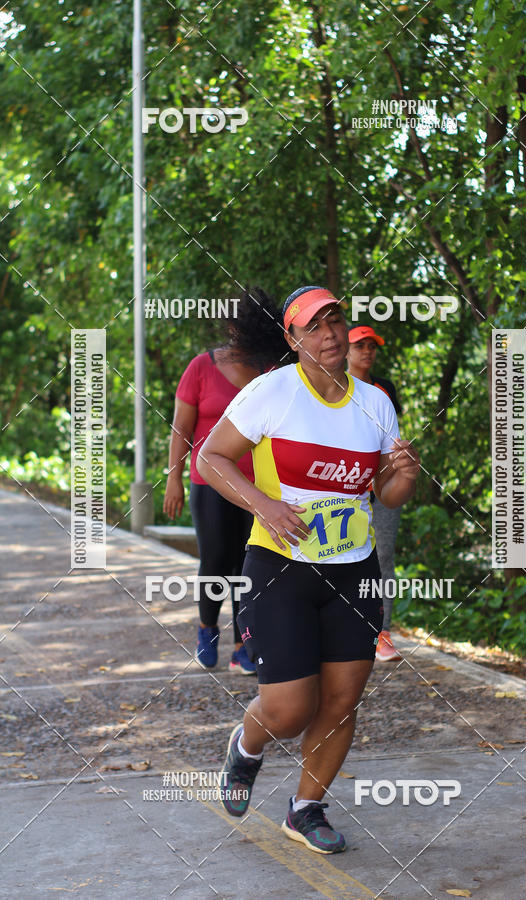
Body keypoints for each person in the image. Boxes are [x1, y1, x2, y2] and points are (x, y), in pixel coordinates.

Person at [198, 286, 420, 853]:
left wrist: (404, 477)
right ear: (292, 339)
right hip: (280, 567)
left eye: (335, 321)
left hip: (353, 571)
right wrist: (265, 505)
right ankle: (246, 747)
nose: (328, 333)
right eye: (313, 326)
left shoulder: (375, 402)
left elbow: (383, 496)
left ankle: (306, 808)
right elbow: (210, 457)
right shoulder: (270, 393)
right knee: (289, 709)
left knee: (342, 701)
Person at [163, 287, 289, 674]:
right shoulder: (201, 367)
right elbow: (181, 429)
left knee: (251, 564)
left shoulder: (272, 369)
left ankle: (243, 644)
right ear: (231, 327)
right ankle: (206, 628)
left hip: (259, 487)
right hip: (210, 482)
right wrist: (174, 479)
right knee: (216, 561)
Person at [347, 325, 404, 662]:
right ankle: (347, 626)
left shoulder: (385, 389)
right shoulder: (334, 386)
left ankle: (383, 633)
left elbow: (391, 438)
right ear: (346, 351)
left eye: (372, 346)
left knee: (384, 556)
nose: (367, 352)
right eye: (360, 346)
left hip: (382, 484)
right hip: (344, 485)